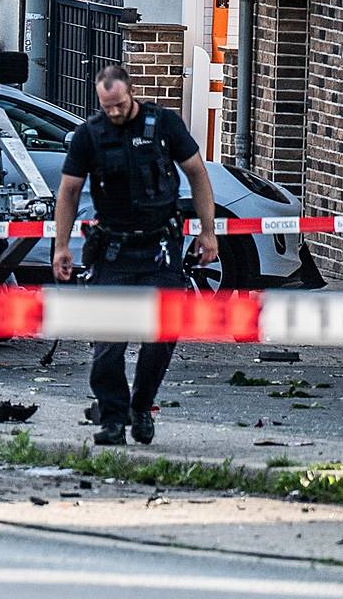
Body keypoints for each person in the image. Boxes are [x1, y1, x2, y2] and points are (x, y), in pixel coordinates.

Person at [54, 63, 220, 446]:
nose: (113, 113)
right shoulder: (89, 135)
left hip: (159, 249)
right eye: (106, 107)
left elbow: (196, 172)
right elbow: (69, 192)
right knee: (107, 344)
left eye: (119, 105)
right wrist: (61, 245)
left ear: (132, 93)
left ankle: (141, 406)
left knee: (162, 336)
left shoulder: (163, 125)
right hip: (113, 251)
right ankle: (112, 417)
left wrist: (208, 232)